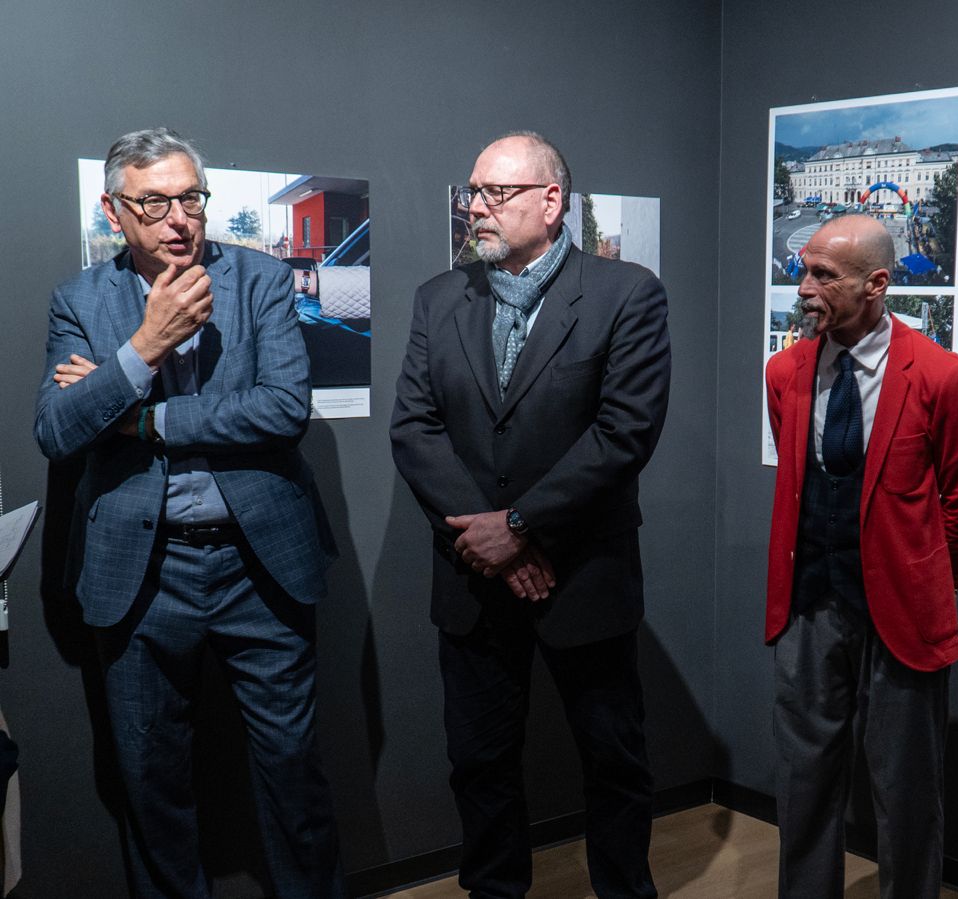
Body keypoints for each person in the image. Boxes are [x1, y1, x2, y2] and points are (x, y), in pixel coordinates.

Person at [34, 128, 343, 897]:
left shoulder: (260, 280)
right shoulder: (80, 301)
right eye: (155, 203)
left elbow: (282, 408)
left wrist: (134, 414)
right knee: (150, 783)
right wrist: (142, 348)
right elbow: (56, 429)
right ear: (114, 210)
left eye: (190, 199)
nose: (179, 219)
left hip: (258, 562)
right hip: (142, 572)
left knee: (294, 775)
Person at [390, 131, 669, 899]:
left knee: (614, 763)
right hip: (474, 582)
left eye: (495, 193)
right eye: (472, 193)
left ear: (552, 203)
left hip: (584, 578)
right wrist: (494, 539)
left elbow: (624, 434)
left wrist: (519, 528)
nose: (476, 207)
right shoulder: (439, 298)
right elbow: (414, 429)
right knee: (479, 764)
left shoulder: (626, 294)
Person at [764, 214, 958, 899]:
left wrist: (921, 577)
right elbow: (801, 476)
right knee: (804, 782)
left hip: (903, 615)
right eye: (803, 270)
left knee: (907, 791)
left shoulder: (941, 376)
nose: (804, 287)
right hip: (807, 603)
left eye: (823, 275)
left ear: (877, 285)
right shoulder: (786, 371)